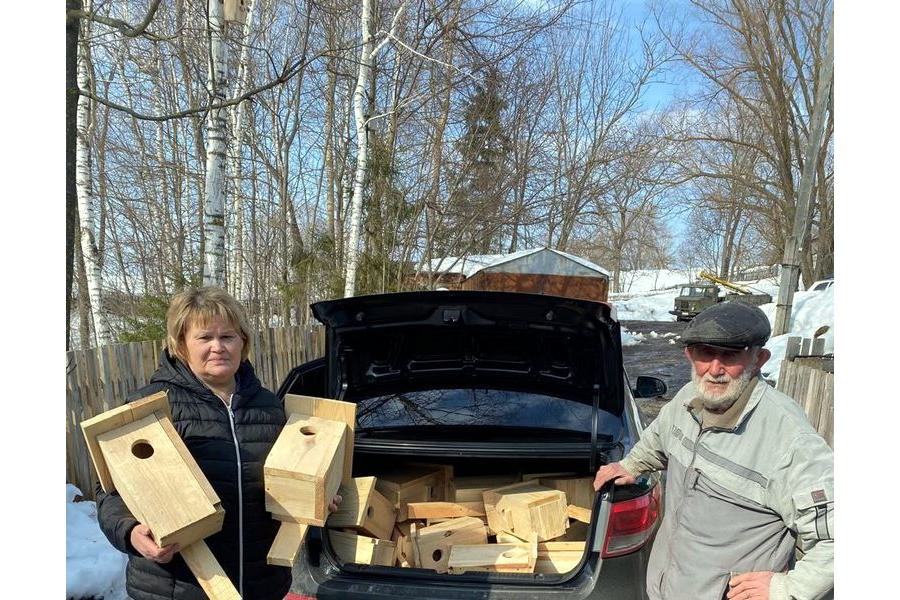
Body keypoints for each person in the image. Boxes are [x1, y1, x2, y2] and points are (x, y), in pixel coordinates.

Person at [97, 287, 340, 600]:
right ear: (181, 345)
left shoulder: (268, 407)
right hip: (178, 588)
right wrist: (131, 532)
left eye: (227, 336)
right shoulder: (150, 408)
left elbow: (290, 480)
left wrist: (319, 496)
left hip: (259, 584)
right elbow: (109, 491)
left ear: (243, 342)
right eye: (204, 338)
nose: (218, 347)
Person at [594, 301, 833, 600]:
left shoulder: (789, 440)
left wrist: (786, 589)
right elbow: (659, 436)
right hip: (667, 587)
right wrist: (632, 464)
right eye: (706, 353)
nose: (715, 369)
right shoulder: (687, 399)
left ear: (759, 358)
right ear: (690, 355)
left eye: (731, 355)